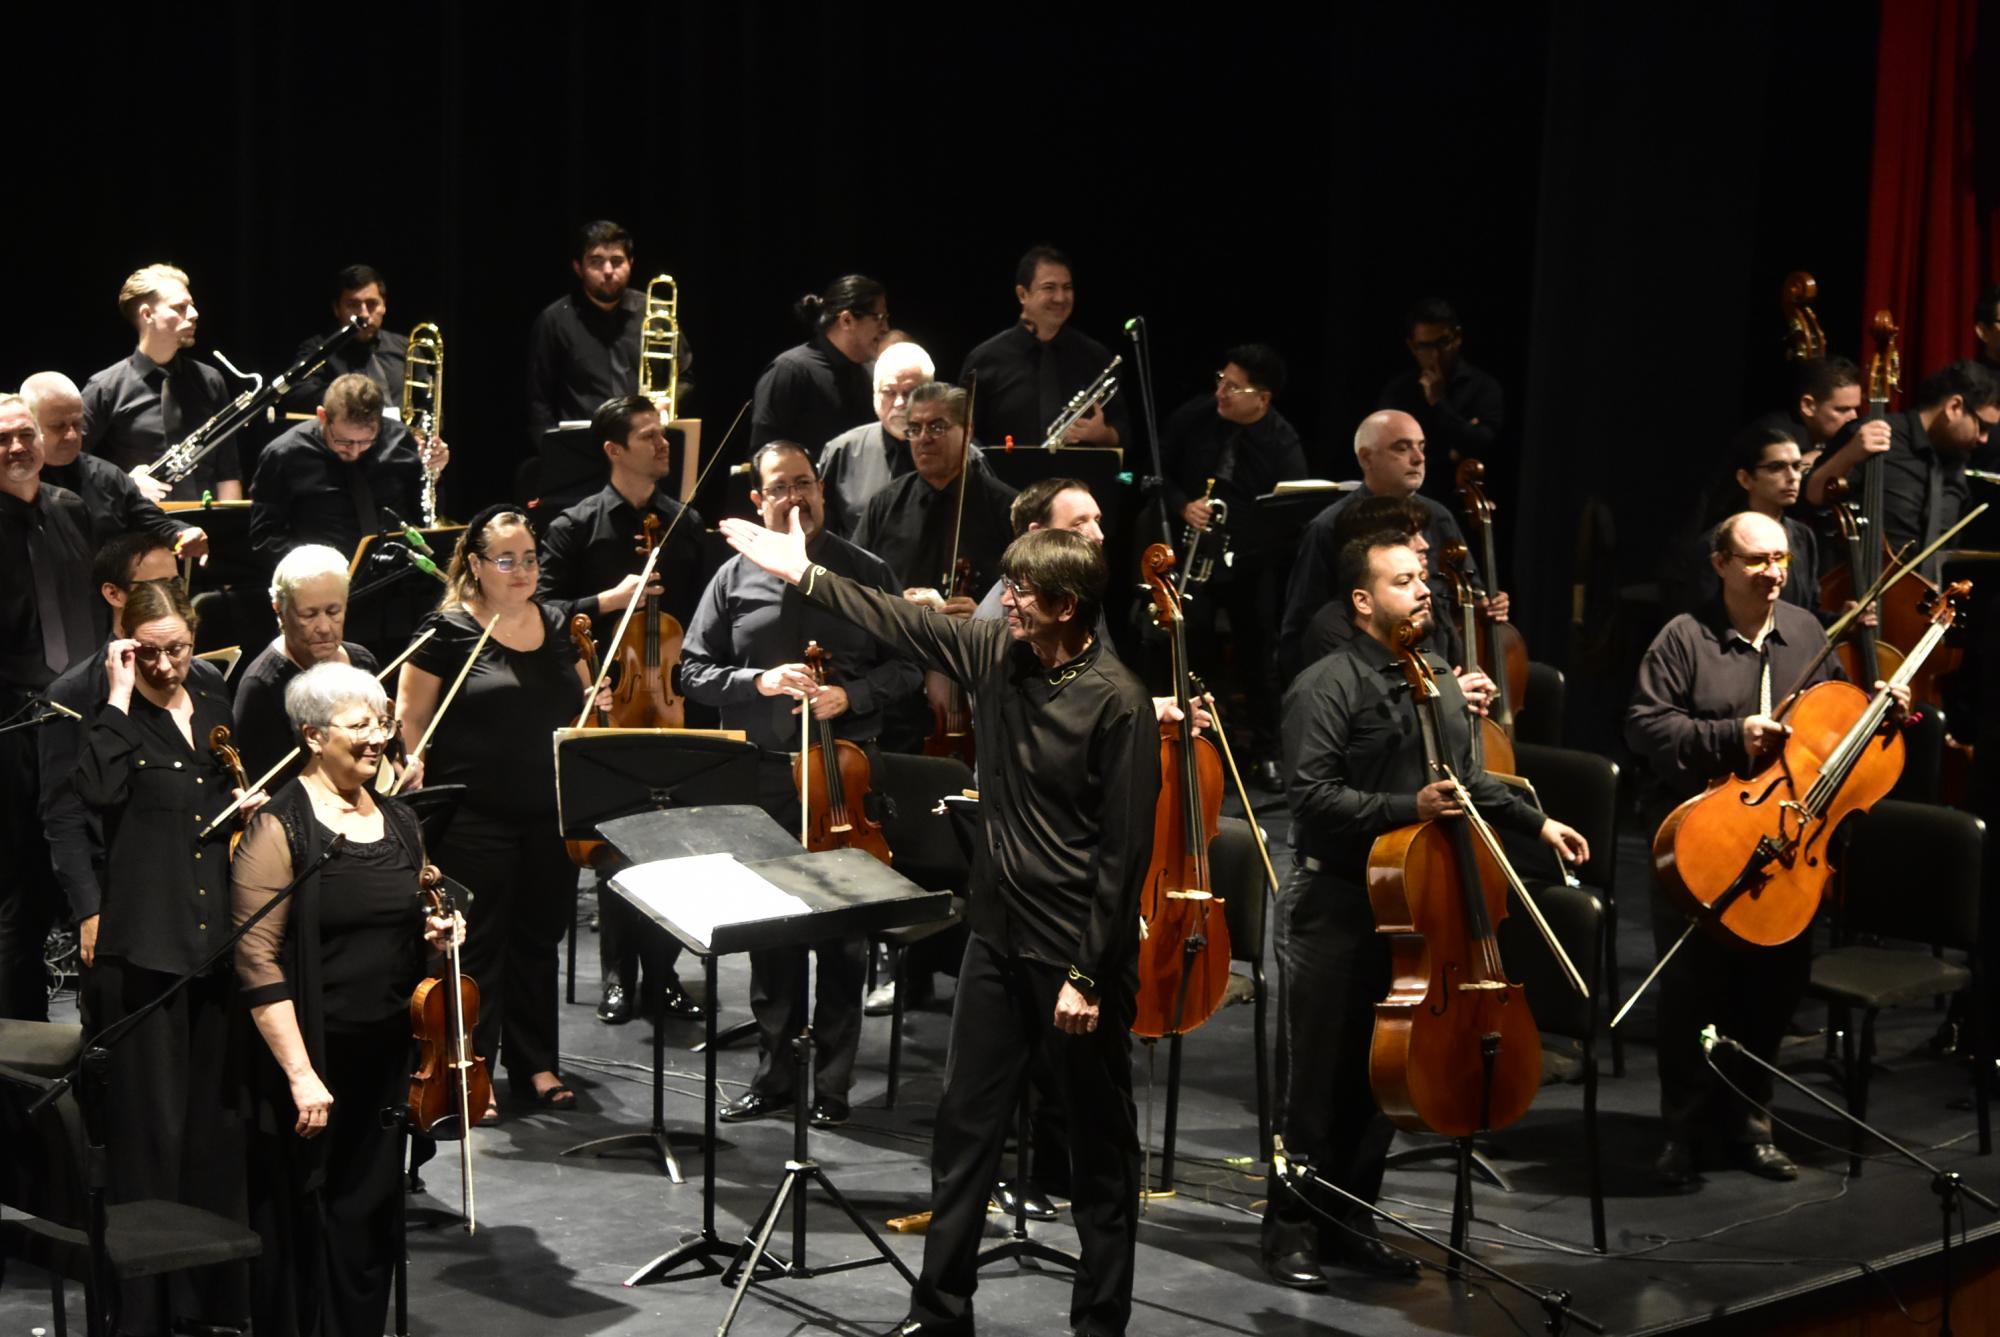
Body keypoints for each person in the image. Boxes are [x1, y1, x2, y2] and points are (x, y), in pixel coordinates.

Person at [719, 508, 1159, 1337]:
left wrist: (1089, 975)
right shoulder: (998, 650)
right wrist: (803, 572)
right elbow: (905, 621)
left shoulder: (1119, 703)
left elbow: (1122, 858)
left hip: (1074, 956)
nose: (1006, 600)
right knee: (965, 1130)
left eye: (1022, 590)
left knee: (1098, 1152)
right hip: (996, 937)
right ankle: (941, 1310)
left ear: (1067, 605)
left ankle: (1101, 1324)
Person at [1261, 530, 1585, 1291]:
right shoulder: (1326, 683)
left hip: (1414, 907)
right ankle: (1291, 1231)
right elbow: (1310, 799)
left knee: (1384, 1076)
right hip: (1335, 901)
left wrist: (1537, 821)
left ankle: (1351, 1224)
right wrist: (1409, 804)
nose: (1422, 590)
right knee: (1316, 1080)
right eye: (1404, 580)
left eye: (1422, 579)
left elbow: (1469, 779)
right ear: (1364, 601)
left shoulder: (1438, 678)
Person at [1626, 511, 1906, 1189]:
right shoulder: (1683, 638)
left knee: (1770, 993)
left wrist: (1882, 714)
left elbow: (1836, 730)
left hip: (1786, 843)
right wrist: (1731, 736)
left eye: (1780, 558)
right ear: (1720, 564)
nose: (1773, 573)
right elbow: (1645, 725)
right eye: (1756, 560)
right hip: (1704, 841)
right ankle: (1683, 1133)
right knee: (1693, 993)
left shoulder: (1807, 632)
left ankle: (1751, 1126)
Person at [681, 442, 921, 1127]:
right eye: (779, 487)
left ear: (821, 490)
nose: (795, 497)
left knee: (844, 936)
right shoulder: (733, 578)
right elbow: (692, 672)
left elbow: (907, 665)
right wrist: (757, 681)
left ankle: (834, 1084)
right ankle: (774, 1072)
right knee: (770, 932)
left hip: (843, 775)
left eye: (805, 484)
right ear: (757, 501)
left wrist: (854, 695)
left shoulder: (864, 570)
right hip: (762, 775)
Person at [235, 661, 461, 1337]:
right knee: (305, 1218)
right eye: (359, 725)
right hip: (310, 1060)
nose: (377, 737)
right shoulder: (280, 828)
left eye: (381, 723)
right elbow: (254, 954)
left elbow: (430, 906)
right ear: (312, 734)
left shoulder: (399, 821)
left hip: (391, 1059)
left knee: (368, 1218)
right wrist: (302, 1073)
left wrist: (446, 928)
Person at [75, 577, 262, 1333]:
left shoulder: (215, 710)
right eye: (148, 653)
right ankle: (145, 1313)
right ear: (127, 649)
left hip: (212, 944)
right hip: (145, 955)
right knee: (152, 1138)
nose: (166, 665)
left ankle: (210, 1304)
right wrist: (119, 696)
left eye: (177, 648)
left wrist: (243, 809)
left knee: (215, 1133)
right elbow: (95, 791)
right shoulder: (112, 720)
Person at [396, 507, 592, 1113]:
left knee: (538, 942)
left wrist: (597, 700)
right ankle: (467, 1073)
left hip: (547, 813)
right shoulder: (447, 629)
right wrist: (409, 761)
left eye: (530, 558)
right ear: (475, 565)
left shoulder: (557, 623)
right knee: (476, 946)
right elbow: (409, 719)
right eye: (506, 559)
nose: (522, 570)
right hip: (473, 816)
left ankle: (536, 1065)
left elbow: (584, 702)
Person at [535, 394, 710, 1026]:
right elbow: (544, 614)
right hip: (604, 703)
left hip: (671, 702)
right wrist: (610, 600)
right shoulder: (573, 527)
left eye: (663, 434)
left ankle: (662, 975)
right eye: (649, 437)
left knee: (670, 844)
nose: (664, 445)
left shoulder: (683, 523)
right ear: (614, 450)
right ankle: (617, 976)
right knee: (614, 844)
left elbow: (709, 612)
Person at [37, 537, 182, 1017]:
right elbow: (63, 814)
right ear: (114, 595)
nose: (167, 598)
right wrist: (89, 908)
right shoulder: (74, 692)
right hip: (118, 896)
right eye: (153, 586)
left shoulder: (202, 681)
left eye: (174, 584)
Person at [1160, 345, 1310, 767]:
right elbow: (1158, 472)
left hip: (1249, 563)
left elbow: (1291, 514)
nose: (1220, 392)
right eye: (1220, 381)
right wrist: (1182, 505)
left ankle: (1267, 753)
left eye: (1233, 387)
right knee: (1193, 646)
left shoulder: (1283, 443)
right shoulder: (1194, 417)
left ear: (1262, 399)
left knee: (1258, 653)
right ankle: (1196, 746)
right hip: (1193, 557)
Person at [1277, 409, 1502, 685]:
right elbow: (1304, 625)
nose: (1419, 458)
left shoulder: (1439, 516)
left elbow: (1468, 594)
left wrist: (1487, 605)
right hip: (1370, 672)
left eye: (1421, 447)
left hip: (1437, 657)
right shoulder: (1329, 527)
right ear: (1366, 458)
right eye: (1402, 448)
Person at [0, 391, 97, 1019]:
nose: (16, 449)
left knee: (90, 882)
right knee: (21, 894)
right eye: (2, 440)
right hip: (10, 731)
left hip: (78, 722)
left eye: (25, 435)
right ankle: (20, 1059)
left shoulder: (73, 509)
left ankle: (102, 1044)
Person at [1803, 360, 1997, 579]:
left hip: (1925, 603)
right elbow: (1813, 496)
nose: (1984, 439)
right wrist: (1849, 453)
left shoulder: (1957, 462)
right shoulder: (1872, 436)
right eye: (1983, 426)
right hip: (1859, 593)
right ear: (1954, 407)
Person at [249, 372, 450, 568]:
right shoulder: (284, 454)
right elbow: (265, 539)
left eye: (365, 442)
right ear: (322, 416)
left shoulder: (401, 440)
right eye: (344, 441)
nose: (354, 452)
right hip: (320, 584)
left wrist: (434, 474)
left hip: (395, 574)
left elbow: (424, 516)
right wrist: (316, 568)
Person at [81, 263, 243, 503]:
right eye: (180, 307)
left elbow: (227, 471)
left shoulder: (210, 380)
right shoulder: (105, 387)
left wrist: (230, 529)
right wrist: (123, 483)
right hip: (137, 528)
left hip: (206, 528)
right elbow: (70, 462)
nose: (194, 313)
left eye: (192, 305)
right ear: (147, 314)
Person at [526, 220, 694, 447]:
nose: (607, 271)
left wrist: (664, 402)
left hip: (644, 445)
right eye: (596, 262)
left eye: (617, 261)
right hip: (583, 447)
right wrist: (552, 455)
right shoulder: (555, 321)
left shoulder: (654, 314)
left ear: (631, 263)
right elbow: (539, 402)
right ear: (578, 267)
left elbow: (684, 376)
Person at [853, 383, 1017, 605]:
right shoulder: (884, 504)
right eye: (914, 429)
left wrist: (984, 616)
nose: (923, 438)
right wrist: (895, 603)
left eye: (937, 427)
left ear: (968, 431)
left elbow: (1026, 596)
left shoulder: (1006, 507)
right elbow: (854, 582)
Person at [233, 545, 381, 785]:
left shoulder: (362, 663)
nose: (324, 627)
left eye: (334, 611)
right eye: (309, 615)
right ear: (280, 611)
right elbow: (267, 786)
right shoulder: (262, 685)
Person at [958, 245, 1127, 450]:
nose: (1061, 298)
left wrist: (1103, 435)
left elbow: (1125, 433)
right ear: (1022, 294)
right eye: (1049, 288)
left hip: (1078, 480)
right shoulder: (984, 359)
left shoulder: (1096, 356)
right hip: (1005, 480)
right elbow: (963, 435)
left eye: (1067, 288)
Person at [21, 371, 205, 556]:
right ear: (29, 425)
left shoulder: (108, 477)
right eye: (58, 426)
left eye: (77, 424)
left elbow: (153, 521)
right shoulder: (13, 481)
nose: (72, 435)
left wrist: (182, 533)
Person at [1376, 297, 1505, 498]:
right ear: (1412, 347)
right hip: (1406, 500)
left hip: (1460, 504)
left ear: (1458, 337)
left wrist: (1439, 402)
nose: (1436, 355)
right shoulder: (1398, 391)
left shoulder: (1484, 388)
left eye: (1443, 343)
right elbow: (1385, 449)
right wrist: (1452, 450)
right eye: (1425, 346)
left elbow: (1482, 446)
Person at [748, 274, 888, 454]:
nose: (886, 328)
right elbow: (764, 453)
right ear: (847, 320)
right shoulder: (791, 370)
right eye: (879, 318)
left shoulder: (872, 371)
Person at [817, 340, 936, 535]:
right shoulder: (841, 451)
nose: (899, 403)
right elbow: (823, 532)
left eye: (911, 393)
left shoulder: (959, 451)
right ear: (874, 394)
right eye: (889, 392)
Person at [279, 263, 410, 415]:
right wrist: (348, 397)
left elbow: (428, 405)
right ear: (336, 309)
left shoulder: (406, 348)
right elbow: (297, 394)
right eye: (353, 305)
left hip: (403, 437)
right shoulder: (317, 348)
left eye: (372, 304)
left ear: (384, 306)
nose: (364, 314)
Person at [1758, 356, 1886, 475]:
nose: (1853, 417)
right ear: (1808, 406)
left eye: (1855, 409)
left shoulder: (1839, 436)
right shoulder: (1771, 437)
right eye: (1842, 410)